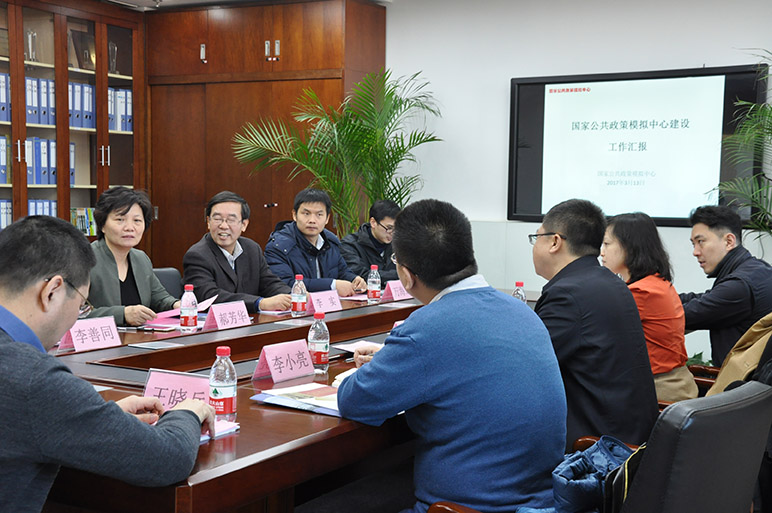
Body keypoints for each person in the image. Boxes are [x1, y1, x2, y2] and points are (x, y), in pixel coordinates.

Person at [338, 199, 567, 513]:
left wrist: (389, 361)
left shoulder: (426, 327)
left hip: (467, 507)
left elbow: (353, 400)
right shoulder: (523, 311)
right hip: (544, 502)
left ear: (406, 275)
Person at [0, 216, 214, 513]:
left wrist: (98, 417)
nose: (76, 317)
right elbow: (167, 459)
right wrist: (188, 411)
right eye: (82, 306)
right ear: (52, 291)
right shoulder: (34, 380)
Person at [531, 198, 658, 450]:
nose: (534, 246)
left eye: (536, 237)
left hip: (596, 447)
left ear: (555, 242)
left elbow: (530, 367)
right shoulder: (610, 282)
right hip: (631, 434)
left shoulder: (567, 294)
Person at [602, 212, 698, 402]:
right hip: (673, 385)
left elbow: (599, 335)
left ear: (629, 246)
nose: (601, 252)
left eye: (607, 244)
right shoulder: (656, 283)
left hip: (658, 390)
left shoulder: (641, 292)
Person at [680, 205, 772, 367]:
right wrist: (659, 296)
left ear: (729, 241)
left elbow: (682, 316)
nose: (695, 252)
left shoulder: (739, 286)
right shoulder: (756, 269)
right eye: (693, 244)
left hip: (739, 381)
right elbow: (704, 298)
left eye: (701, 242)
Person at [182, 191, 291, 313]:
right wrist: (260, 303)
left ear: (244, 224)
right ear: (208, 222)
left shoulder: (252, 248)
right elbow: (209, 297)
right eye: (217, 219)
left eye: (231, 220)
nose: (224, 226)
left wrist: (293, 296)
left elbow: (269, 283)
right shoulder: (197, 256)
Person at [87, 187, 180, 326]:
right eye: (120, 219)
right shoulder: (83, 260)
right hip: (101, 338)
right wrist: (123, 314)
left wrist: (177, 305)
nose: (130, 227)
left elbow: (159, 298)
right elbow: (73, 314)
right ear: (102, 225)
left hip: (139, 338)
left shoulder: (141, 258)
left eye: (137, 220)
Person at [265, 188, 366, 296]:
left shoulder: (331, 242)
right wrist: (332, 285)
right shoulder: (279, 246)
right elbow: (284, 284)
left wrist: (354, 279)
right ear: (294, 215)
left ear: (327, 218)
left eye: (319, 215)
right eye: (306, 213)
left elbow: (342, 271)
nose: (312, 220)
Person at [341, 199, 401, 282]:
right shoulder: (349, 245)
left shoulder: (399, 243)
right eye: (389, 228)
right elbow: (359, 275)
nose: (393, 233)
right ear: (373, 223)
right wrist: (399, 274)